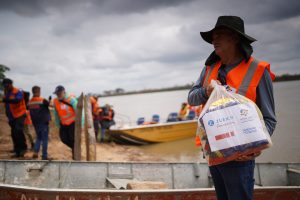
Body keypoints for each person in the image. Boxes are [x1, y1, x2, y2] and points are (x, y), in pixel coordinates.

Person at [188, 16, 277, 200]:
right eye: (213, 36)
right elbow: (192, 98)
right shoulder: (209, 68)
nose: (214, 40)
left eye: (220, 35)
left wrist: (257, 145)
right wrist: (207, 90)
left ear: (235, 38)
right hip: (214, 153)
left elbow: (269, 119)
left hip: (240, 158)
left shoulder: (258, 70)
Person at [1, 78, 27, 158]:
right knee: (13, 133)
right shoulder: (7, 93)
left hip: (20, 115)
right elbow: (5, 102)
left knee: (18, 131)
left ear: (11, 84)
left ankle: (23, 149)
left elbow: (17, 100)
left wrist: (6, 100)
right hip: (12, 117)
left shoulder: (17, 91)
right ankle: (17, 150)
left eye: (7, 85)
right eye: (4, 86)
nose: (6, 87)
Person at [52, 85, 77, 158]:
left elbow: (78, 112)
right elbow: (56, 113)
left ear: (64, 92)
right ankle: (75, 148)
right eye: (57, 93)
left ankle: (75, 155)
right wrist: (58, 123)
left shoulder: (71, 100)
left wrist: (80, 123)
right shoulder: (55, 101)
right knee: (63, 138)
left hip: (73, 122)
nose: (58, 95)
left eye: (59, 93)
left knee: (72, 139)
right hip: (63, 124)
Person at [28, 86, 51, 160]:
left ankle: (35, 152)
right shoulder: (42, 100)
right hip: (43, 122)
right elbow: (49, 105)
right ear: (38, 91)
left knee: (39, 137)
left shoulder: (30, 102)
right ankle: (44, 156)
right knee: (44, 139)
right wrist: (49, 100)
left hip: (35, 122)